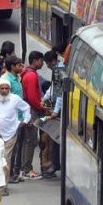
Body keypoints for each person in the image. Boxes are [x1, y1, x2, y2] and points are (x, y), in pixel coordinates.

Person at [0, 78, 30, 187]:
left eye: (6, 88)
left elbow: (26, 108)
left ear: (10, 89)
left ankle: (4, 186)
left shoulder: (15, 99)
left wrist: (25, 121)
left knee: (6, 159)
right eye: (2, 88)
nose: (4, 90)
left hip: (10, 133)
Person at [19, 51, 47, 180]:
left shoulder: (28, 73)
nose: (42, 63)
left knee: (28, 140)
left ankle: (25, 167)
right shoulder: (31, 76)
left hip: (30, 109)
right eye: (41, 61)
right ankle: (27, 169)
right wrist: (42, 108)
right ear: (35, 61)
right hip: (32, 111)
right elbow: (32, 97)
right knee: (31, 140)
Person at [39, 49, 64, 178]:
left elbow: (59, 95)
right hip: (54, 106)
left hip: (59, 109)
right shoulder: (57, 70)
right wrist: (45, 100)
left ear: (53, 61)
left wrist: (55, 111)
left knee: (56, 138)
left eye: (48, 63)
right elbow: (52, 89)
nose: (47, 66)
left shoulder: (59, 71)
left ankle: (55, 164)